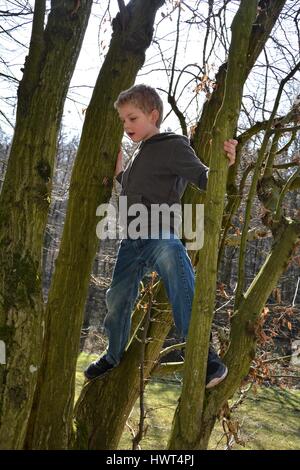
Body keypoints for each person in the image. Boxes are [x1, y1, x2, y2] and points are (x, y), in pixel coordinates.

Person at [84, 84, 237, 388]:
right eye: (123, 121)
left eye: (132, 118)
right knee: (116, 298)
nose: (127, 126)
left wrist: (226, 163)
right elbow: (134, 186)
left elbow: (205, 178)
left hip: (158, 233)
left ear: (153, 115)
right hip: (132, 240)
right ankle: (113, 355)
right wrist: (119, 175)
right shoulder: (139, 152)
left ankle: (204, 356)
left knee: (175, 259)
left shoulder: (173, 145)